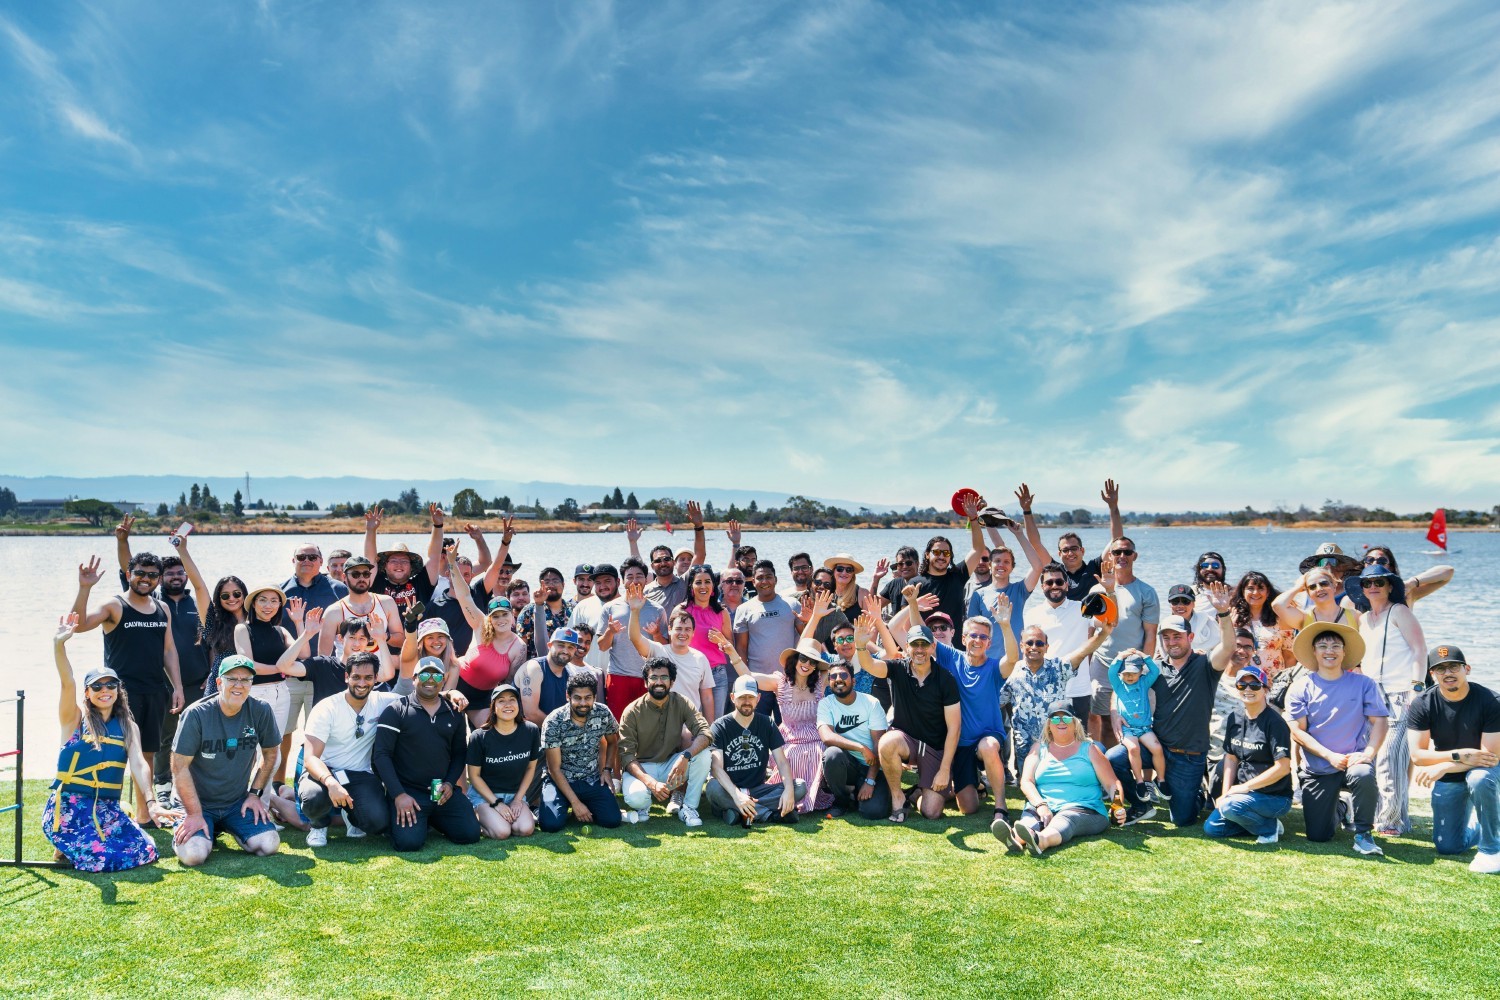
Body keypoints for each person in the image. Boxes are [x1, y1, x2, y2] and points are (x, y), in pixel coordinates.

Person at [45, 614, 170, 870]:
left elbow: (139, 764)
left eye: (110, 685)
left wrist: (151, 802)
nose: (104, 690)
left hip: (106, 807)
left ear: (118, 690)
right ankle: (66, 840)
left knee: (145, 851)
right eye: (97, 686)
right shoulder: (73, 720)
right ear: (88, 693)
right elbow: (67, 682)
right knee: (103, 858)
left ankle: (91, 834)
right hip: (72, 807)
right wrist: (59, 644)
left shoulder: (128, 726)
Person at [70, 554, 185, 823]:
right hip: (119, 696)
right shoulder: (115, 605)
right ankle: (109, 817)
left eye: (152, 575)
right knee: (114, 757)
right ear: (129, 573)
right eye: (140, 573)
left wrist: (177, 686)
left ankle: (146, 819)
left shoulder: (162, 608)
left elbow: (169, 650)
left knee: (147, 754)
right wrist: (85, 588)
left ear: (158, 579)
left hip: (155, 691)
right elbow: (78, 625)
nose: (146, 579)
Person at [1107, 594, 1236, 827]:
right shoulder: (1155, 669)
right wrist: (1115, 714)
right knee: (1114, 757)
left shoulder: (1206, 665)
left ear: (1191, 637)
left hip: (1189, 756)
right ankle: (1141, 805)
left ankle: (1195, 793)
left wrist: (1224, 614)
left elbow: (1228, 647)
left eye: (1177, 636)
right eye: (1166, 638)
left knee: (1182, 819)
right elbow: (1122, 686)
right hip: (1157, 746)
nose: (1172, 642)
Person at [112, 517, 210, 794]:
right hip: (158, 684)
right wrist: (123, 541)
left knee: (197, 736)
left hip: (196, 683)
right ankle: (162, 785)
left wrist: (211, 674)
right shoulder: (151, 602)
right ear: (160, 579)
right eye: (169, 574)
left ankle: (193, 786)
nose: (176, 577)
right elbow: (128, 567)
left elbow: (214, 642)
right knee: (162, 738)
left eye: (180, 573)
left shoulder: (197, 603)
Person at [1287, 622, 1389, 855]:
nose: (1329, 651)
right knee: (1318, 836)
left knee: (1363, 773)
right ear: (1314, 652)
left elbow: (1380, 721)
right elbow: (1298, 731)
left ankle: (1363, 834)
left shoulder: (1364, 684)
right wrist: (1329, 756)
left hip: (1353, 761)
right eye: (1322, 646)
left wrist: (1368, 754)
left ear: (1344, 652)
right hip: (1319, 766)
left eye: (1335, 646)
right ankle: (1341, 808)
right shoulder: (1301, 687)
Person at [169, 655, 282, 866]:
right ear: (219, 682)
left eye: (246, 680)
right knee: (194, 855)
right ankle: (193, 826)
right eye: (232, 679)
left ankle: (223, 826)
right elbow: (179, 766)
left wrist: (255, 794)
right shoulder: (196, 714)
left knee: (269, 844)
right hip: (197, 803)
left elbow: (270, 754)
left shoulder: (261, 710)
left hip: (234, 803)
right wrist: (194, 814)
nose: (239, 685)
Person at [853, 619, 962, 822]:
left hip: (934, 747)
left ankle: (916, 793)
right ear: (907, 647)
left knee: (932, 812)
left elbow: (954, 728)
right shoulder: (897, 668)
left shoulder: (946, 680)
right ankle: (898, 798)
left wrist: (945, 770)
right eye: (914, 644)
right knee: (887, 741)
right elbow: (869, 665)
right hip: (906, 741)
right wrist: (860, 644)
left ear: (933, 646)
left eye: (924, 644)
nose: (919, 649)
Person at [370, 657, 481, 851]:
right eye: (425, 674)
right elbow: (381, 755)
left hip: (441, 791)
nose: (431, 679)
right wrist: (398, 794)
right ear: (414, 678)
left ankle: (430, 819)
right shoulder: (397, 710)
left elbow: (458, 753)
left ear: (444, 679)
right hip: (408, 792)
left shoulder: (454, 712)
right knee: (409, 843)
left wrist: (449, 783)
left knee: (470, 834)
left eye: (437, 675)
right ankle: (412, 820)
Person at [1407, 645, 1500, 873]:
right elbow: (1417, 755)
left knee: (1478, 779)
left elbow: (1489, 758)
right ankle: (1487, 825)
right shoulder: (1422, 703)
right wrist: (1458, 756)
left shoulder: (1491, 701)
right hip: (1453, 775)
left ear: (1466, 669)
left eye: (1453, 667)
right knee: (1448, 847)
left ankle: (1491, 850)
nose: (1447, 673)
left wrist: (1444, 766)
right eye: (1440, 669)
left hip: (1488, 769)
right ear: (1432, 674)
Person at [929, 600, 1019, 827]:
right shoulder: (951, 657)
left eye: (983, 637)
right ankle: (976, 785)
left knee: (988, 746)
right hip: (960, 744)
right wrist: (912, 603)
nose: (977, 640)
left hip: (988, 737)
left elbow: (1013, 659)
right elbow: (922, 634)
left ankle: (1001, 806)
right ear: (963, 638)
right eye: (973, 635)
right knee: (968, 808)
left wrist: (1005, 625)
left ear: (989, 643)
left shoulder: (994, 668)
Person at [723, 631, 833, 814]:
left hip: (815, 736)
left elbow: (850, 665)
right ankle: (784, 798)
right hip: (788, 738)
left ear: (816, 666)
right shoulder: (780, 682)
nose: (807, 664)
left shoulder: (822, 681)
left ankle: (806, 798)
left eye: (812, 661)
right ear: (795, 659)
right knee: (792, 755)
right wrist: (732, 653)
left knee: (816, 752)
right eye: (803, 659)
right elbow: (748, 676)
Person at [1354, 562, 1427, 836]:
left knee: (1392, 758)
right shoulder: (1363, 619)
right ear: (1362, 588)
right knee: (1372, 757)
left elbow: (1420, 650)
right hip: (1371, 695)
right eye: (1367, 583)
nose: (1373, 587)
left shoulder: (1400, 611)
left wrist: (1416, 689)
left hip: (1400, 694)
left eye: (1379, 583)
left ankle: (1392, 821)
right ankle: (1381, 816)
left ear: (1389, 586)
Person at [298, 651, 400, 846]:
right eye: (356, 677)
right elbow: (311, 758)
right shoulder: (326, 707)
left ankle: (352, 817)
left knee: (378, 822)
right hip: (324, 771)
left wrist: (448, 693)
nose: (362, 683)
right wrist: (331, 782)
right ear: (346, 677)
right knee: (313, 798)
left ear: (376, 678)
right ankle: (319, 825)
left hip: (359, 773)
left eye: (368, 678)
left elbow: (417, 698)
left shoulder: (383, 701)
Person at [995, 703, 1121, 857]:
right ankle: (1015, 838)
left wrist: (1118, 805)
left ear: (1075, 723)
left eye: (1066, 718)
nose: (1061, 722)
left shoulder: (1089, 749)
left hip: (1083, 808)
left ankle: (1041, 840)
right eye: (1055, 719)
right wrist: (1041, 805)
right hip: (1043, 805)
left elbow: (1112, 783)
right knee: (1030, 821)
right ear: (1049, 725)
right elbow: (1026, 781)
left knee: (1065, 818)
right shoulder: (1038, 748)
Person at [1202, 663, 1294, 844]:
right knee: (1212, 828)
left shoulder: (1275, 723)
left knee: (1230, 807)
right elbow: (1231, 758)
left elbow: (1283, 768)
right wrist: (1226, 792)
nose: (1248, 689)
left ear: (1266, 689)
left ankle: (1268, 829)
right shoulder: (1234, 718)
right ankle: (1263, 822)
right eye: (1242, 685)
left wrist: (1244, 788)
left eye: (1255, 685)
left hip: (1274, 797)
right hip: (1242, 797)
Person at [618, 657, 713, 827]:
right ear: (646, 683)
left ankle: (689, 807)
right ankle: (644, 806)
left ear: (672, 682)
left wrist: (685, 756)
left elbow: (705, 733)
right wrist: (651, 783)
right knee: (637, 798)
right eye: (653, 677)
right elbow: (626, 756)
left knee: (704, 755)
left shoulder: (682, 702)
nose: (659, 682)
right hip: (642, 768)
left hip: (672, 765)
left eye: (664, 677)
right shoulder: (632, 711)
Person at [1003, 622, 1112, 771]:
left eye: (1039, 643)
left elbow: (1082, 652)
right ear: (1022, 646)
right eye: (1029, 642)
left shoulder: (1059, 668)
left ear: (1046, 647)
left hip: (1057, 746)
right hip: (1026, 750)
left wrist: (1103, 633)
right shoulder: (1012, 672)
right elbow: (997, 702)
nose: (1034, 647)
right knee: (1029, 786)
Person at [1086, 537, 1159, 746]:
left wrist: (1144, 669)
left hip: (1132, 667)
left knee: (1133, 721)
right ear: (1110, 556)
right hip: (1101, 664)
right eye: (1117, 552)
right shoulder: (1096, 591)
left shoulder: (1147, 592)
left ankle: (1130, 767)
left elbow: (1151, 634)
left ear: (1134, 556)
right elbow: (1092, 633)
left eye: (1127, 552)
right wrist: (1087, 665)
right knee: (1102, 718)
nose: (1121, 557)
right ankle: (1108, 764)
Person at [707, 675, 803, 826]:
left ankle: (738, 812)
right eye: (742, 697)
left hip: (758, 790)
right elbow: (716, 768)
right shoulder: (719, 727)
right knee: (712, 787)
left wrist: (789, 791)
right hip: (730, 789)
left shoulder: (767, 723)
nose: (746, 702)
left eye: (750, 697)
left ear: (758, 698)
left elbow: (782, 762)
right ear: (732, 698)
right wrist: (738, 796)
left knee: (799, 786)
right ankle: (770, 815)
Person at [539, 671, 623, 832]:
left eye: (588, 697)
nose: (583, 702)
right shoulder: (553, 721)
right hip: (560, 780)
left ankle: (583, 803)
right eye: (577, 697)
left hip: (591, 778)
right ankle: (567, 804)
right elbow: (554, 769)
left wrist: (606, 770)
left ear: (594, 697)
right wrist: (576, 803)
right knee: (550, 825)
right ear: (567, 696)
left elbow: (613, 742)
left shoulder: (603, 712)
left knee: (612, 820)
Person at [815, 658, 891, 818]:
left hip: (874, 765)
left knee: (874, 812)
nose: (838, 679)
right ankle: (841, 801)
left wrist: (870, 781)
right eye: (833, 677)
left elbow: (879, 746)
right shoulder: (826, 704)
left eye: (843, 675)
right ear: (829, 683)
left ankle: (858, 793)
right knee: (832, 755)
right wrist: (861, 748)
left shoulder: (871, 703)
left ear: (854, 680)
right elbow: (826, 736)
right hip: (849, 764)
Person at [465, 684, 541, 840]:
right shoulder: (479, 737)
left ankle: (510, 816)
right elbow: (474, 776)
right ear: (493, 707)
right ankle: (476, 817)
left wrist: (518, 800)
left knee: (525, 829)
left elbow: (531, 768)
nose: (508, 705)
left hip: (515, 795)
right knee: (502, 832)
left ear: (518, 705)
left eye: (512, 700)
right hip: (486, 796)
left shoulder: (531, 731)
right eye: (501, 701)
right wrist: (497, 803)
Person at [626, 588, 715, 715]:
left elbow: (707, 697)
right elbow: (635, 638)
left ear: (693, 633)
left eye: (687, 629)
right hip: (660, 721)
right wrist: (634, 611)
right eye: (678, 629)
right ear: (669, 630)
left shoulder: (700, 658)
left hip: (690, 724)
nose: (683, 633)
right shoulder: (657, 650)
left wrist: (709, 730)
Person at [732, 560, 800, 723]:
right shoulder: (744, 609)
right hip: (758, 681)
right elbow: (741, 647)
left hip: (788, 680)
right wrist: (746, 678)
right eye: (760, 578)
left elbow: (804, 638)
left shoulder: (792, 604)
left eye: (768, 577)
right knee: (757, 727)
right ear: (753, 581)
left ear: (776, 579)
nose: (764, 581)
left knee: (787, 728)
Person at [1026, 562, 1092, 722]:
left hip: (1078, 689)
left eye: (1059, 582)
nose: (1054, 585)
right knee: (1046, 739)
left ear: (1066, 585)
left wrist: (1110, 591)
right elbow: (1027, 652)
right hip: (1043, 689)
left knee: (1078, 740)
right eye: (1049, 582)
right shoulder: (1032, 613)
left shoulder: (1083, 608)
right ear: (1042, 587)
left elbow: (1109, 623)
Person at [316, 555, 407, 663]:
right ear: (344, 577)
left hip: (381, 674)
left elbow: (401, 641)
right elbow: (323, 658)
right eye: (355, 574)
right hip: (348, 676)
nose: (362, 578)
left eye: (366, 574)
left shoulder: (387, 602)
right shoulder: (334, 612)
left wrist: (383, 636)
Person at [1106, 651, 1165, 799]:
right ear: (1120, 674)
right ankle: (1139, 782)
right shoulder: (1118, 685)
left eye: (1133, 673)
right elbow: (1111, 670)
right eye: (1125, 673)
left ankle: (1161, 780)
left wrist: (1143, 655)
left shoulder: (1144, 683)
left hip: (1144, 728)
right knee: (1133, 748)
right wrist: (1121, 656)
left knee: (1157, 747)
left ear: (1140, 671)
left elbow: (1155, 670)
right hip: (1127, 729)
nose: (1129, 677)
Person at [1053, 480, 1124, 601]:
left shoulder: (1095, 568)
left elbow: (1116, 541)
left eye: (1074, 548)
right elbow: (1036, 546)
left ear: (1082, 550)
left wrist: (1113, 507)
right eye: (1065, 550)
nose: (1070, 553)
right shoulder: (1055, 571)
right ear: (1059, 554)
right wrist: (1026, 511)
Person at [680, 565, 734, 717]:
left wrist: (721, 640)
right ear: (691, 587)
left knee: (715, 724)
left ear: (713, 586)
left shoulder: (722, 612)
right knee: (691, 724)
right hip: (689, 672)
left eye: (707, 581)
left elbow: (730, 645)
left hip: (717, 674)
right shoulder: (681, 611)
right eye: (698, 582)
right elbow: (673, 644)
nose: (703, 586)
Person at [643, 501, 707, 616]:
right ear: (652, 565)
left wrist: (698, 527)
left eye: (666, 559)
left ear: (673, 562)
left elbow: (700, 555)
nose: (663, 563)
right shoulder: (645, 592)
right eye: (658, 560)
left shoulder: (685, 582)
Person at [516, 630, 589, 725]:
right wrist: (559, 731)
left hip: (552, 733)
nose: (565, 651)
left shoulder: (570, 674)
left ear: (575, 650)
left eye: (570, 647)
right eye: (561, 645)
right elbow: (530, 714)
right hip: (526, 733)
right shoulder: (534, 669)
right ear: (549, 646)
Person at [569, 562, 620, 677]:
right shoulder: (583, 606)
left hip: (620, 678)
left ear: (618, 582)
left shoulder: (628, 606)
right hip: (589, 677)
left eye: (607, 581)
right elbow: (570, 642)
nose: (602, 586)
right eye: (597, 583)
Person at [517, 566, 575, 657]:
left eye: (555, 581)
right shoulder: (529, 610)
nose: (551, 585)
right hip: (537, 666)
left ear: (563, 585)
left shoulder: (574, 610)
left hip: (568, 666)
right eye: (547, 582)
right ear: (541, 586)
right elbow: (521, 645)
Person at [1164, 584, 1218, 657]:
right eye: (1175, 601)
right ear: (1170, 605)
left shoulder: (1207, 621)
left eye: (1185, 601)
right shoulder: (1165, 625)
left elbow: (1221, 647)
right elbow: (1164, 653)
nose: (1180, 605)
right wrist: (1191, 652)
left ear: (1193, 604)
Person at [873, 545, 921, 619]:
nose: (904, 566)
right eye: (900, 564)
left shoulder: (925, 583)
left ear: (917, 564)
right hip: (897, 629)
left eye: (908, 563)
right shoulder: (894, 584)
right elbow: (873, 606)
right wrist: (876, 578)